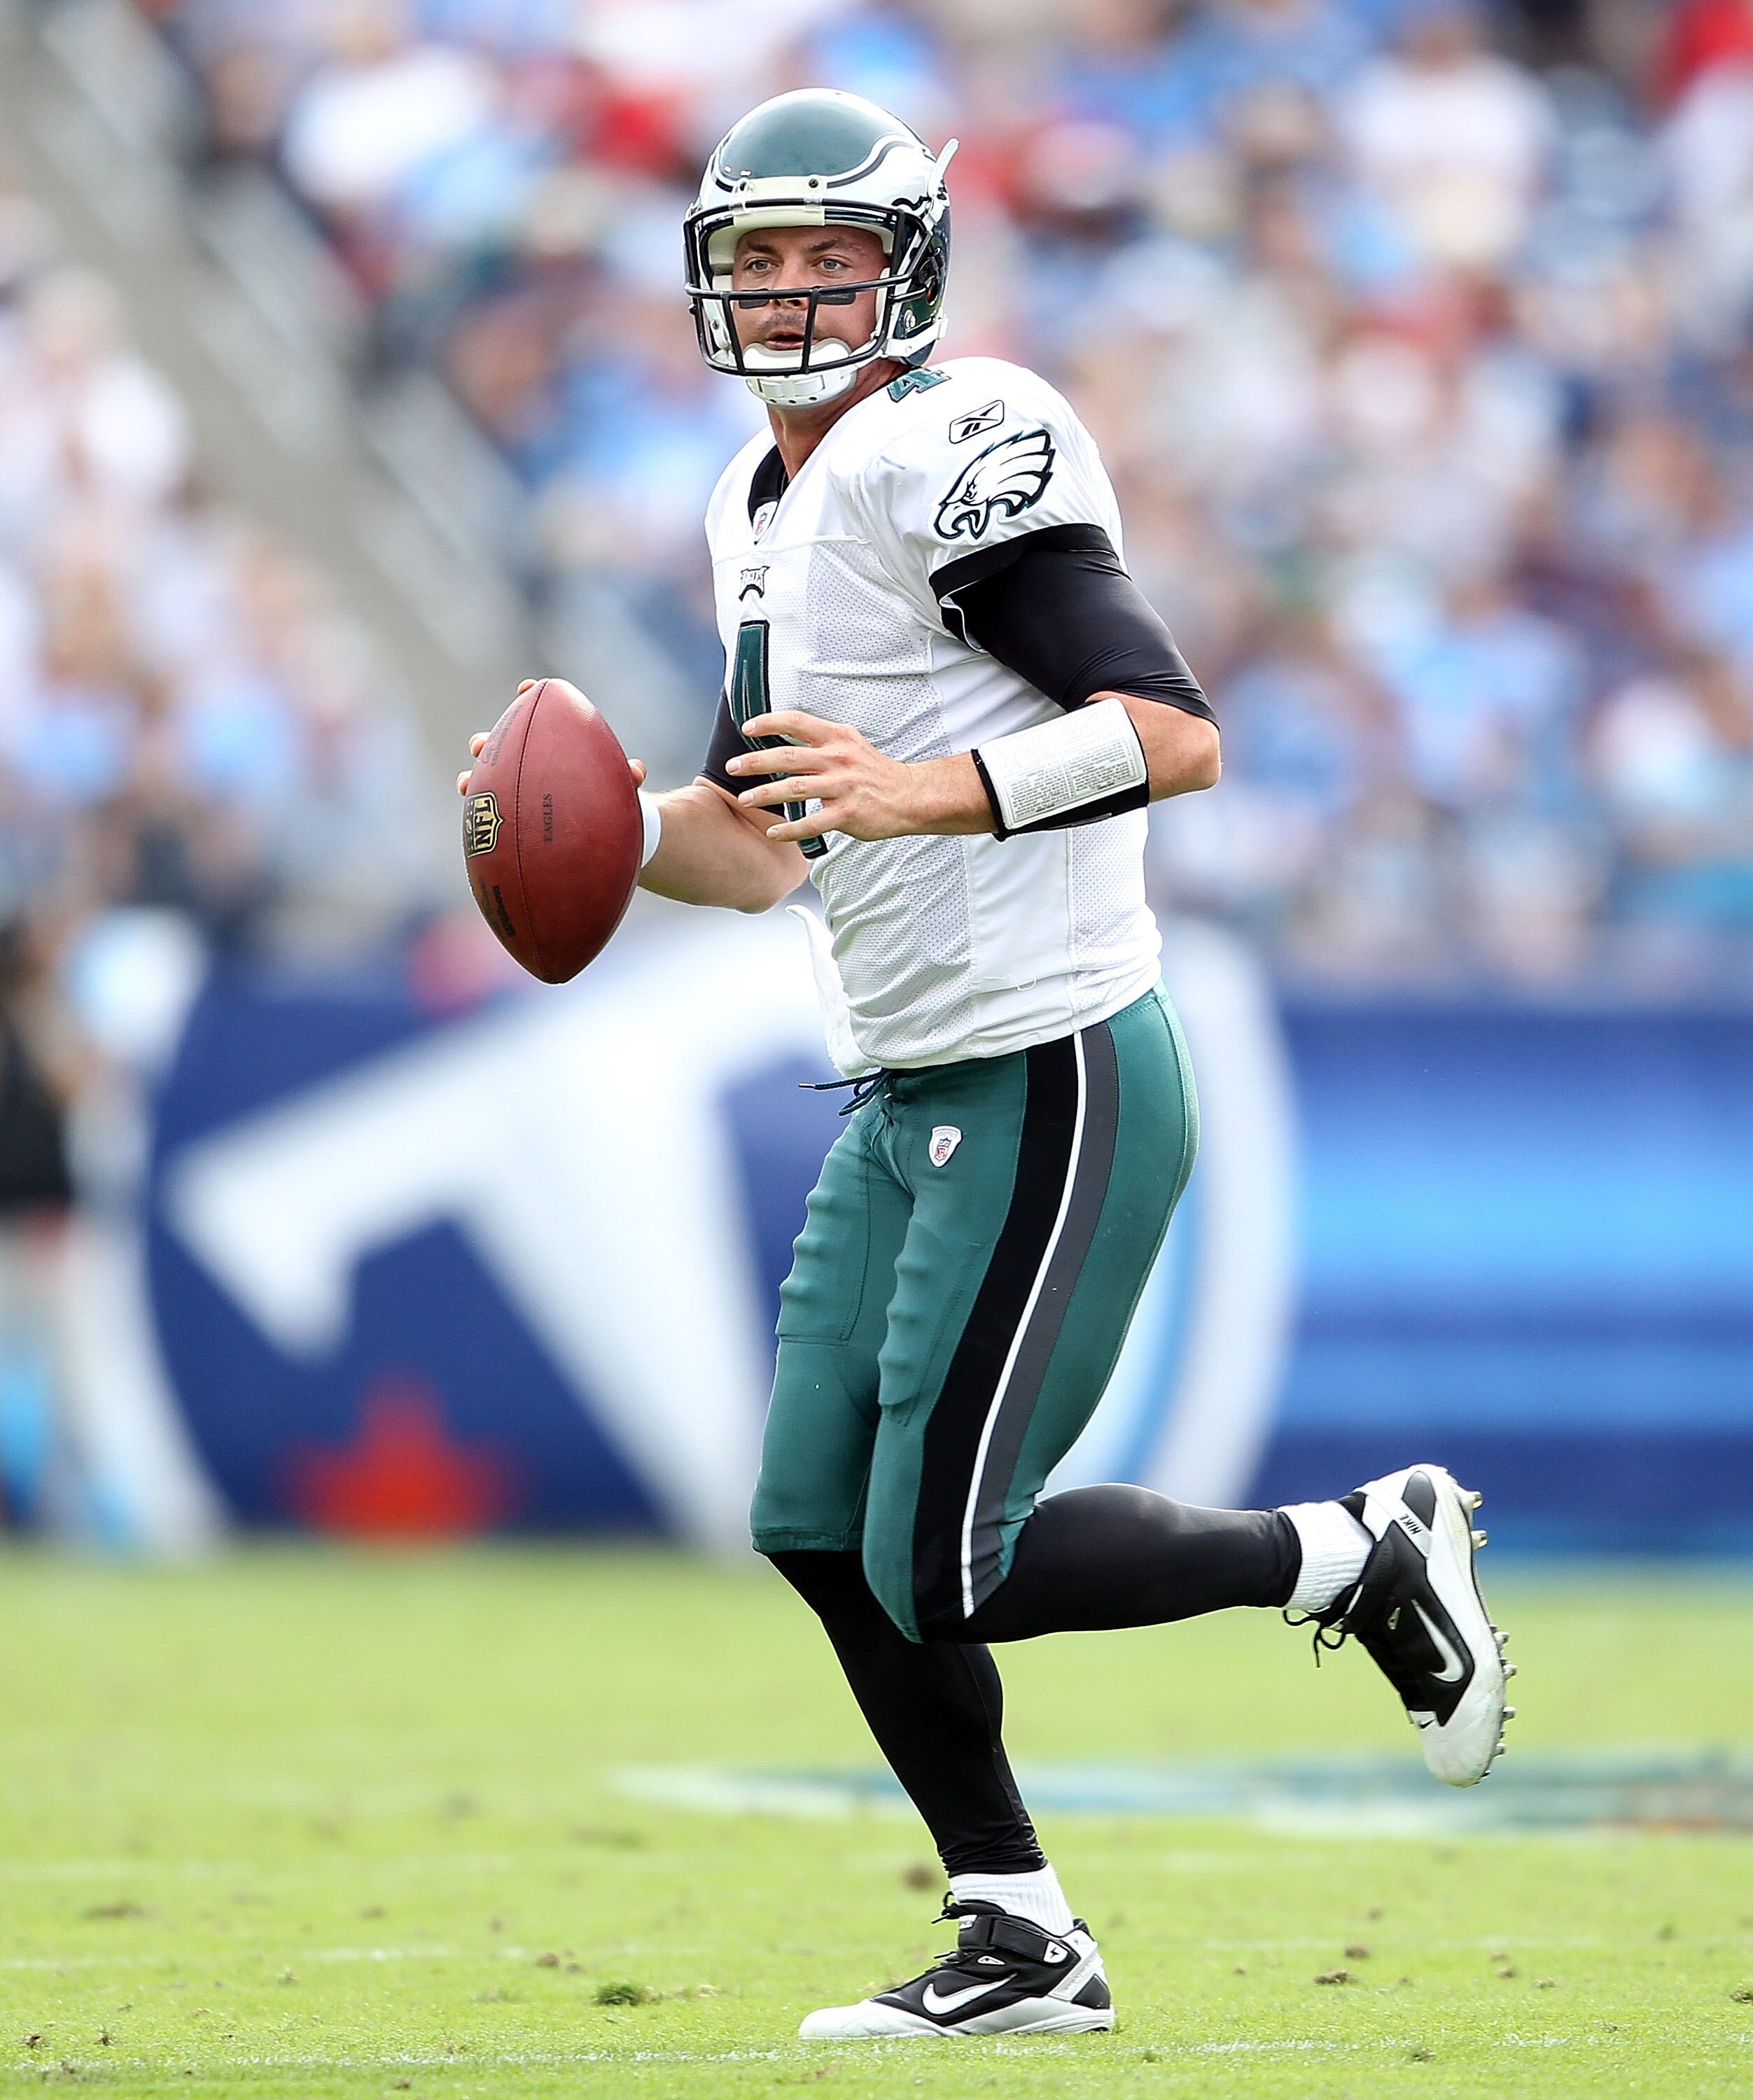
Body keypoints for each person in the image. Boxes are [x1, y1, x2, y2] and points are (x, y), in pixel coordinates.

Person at [459, 88, 1513, 2042]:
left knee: (949, 1555)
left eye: (829, 255)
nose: (791, 292)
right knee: (814, 1526)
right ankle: (1021, 1932)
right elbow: (767, 843)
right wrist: (595, 823)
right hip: (905, 1084)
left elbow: (1174, 733)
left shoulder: (960, 436)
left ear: (911, 268)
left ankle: (1355, 1551)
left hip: (1055, 1060)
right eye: (759, 258)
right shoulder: (750, 499)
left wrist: (924, 790)